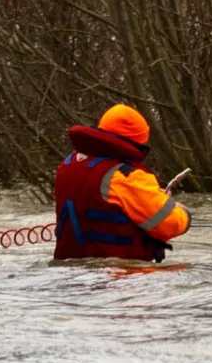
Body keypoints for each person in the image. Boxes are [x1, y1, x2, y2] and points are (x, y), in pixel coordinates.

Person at [54, 102, 189, 262]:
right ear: (137, 142)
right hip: (120, 278)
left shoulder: (68, 164)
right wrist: (182, 211)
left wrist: (152, 196)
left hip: (67, 272)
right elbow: (170, 224)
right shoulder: (126, 176)